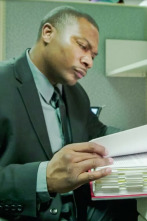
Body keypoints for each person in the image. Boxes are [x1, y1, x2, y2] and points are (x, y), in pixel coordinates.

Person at [0, 6, 137, 221]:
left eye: (93, 56)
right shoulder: (3, 82)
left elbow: (98, 131)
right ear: (48, 32)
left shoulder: (75, 93)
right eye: (83, 47)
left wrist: (140, 140)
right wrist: (44, 178)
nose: (89, 62)